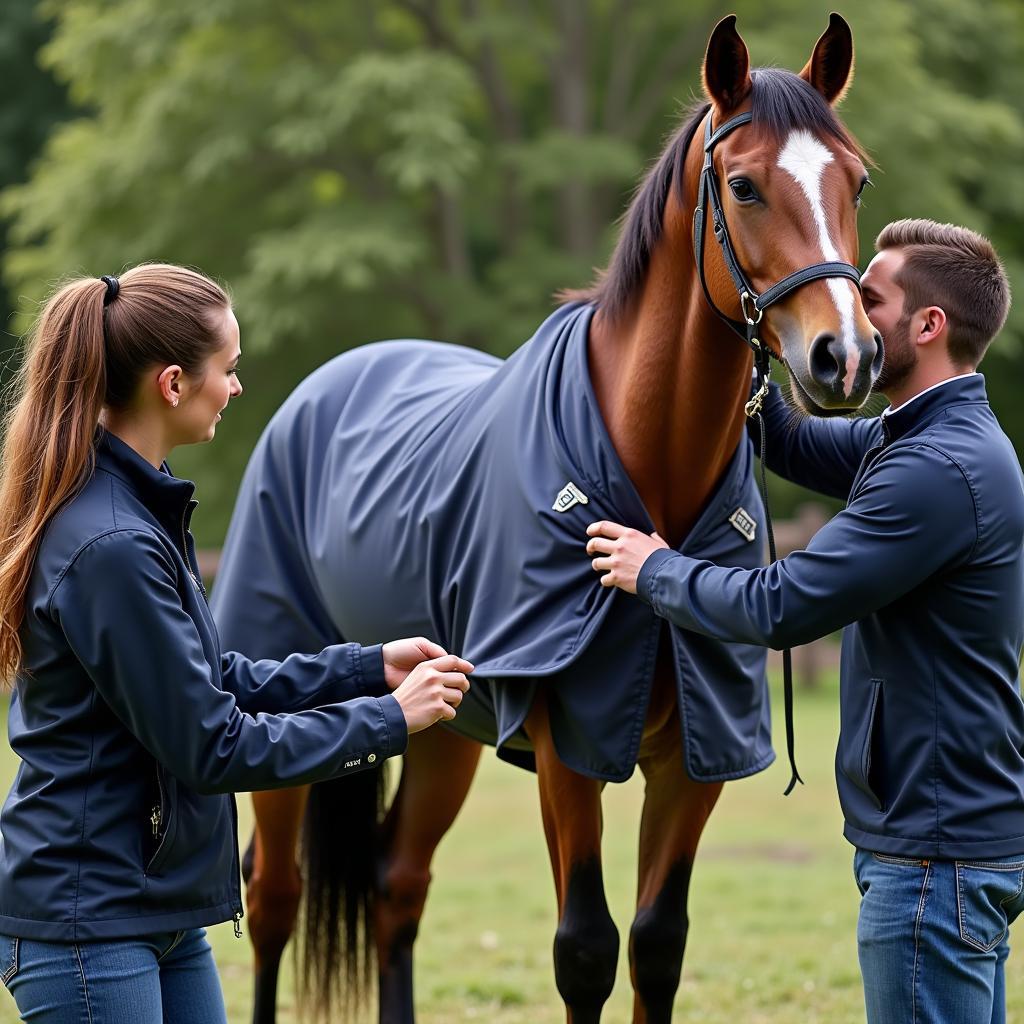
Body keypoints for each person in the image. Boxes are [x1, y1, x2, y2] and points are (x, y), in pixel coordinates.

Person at [0, 264, 473, 1023]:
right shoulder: (114, 544)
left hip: (159, 912)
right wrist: (390, 723)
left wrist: (364, 668)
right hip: (88, 925)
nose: (238, 387)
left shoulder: (141, 510)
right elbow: (214, 747)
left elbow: (213, 677)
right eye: (231, 369)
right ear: (175, 383)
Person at [585, 219, 1024, 1024]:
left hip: (933, 857)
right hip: (952, 841)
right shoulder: (926, 437)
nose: (848, 311)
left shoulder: (935, 470)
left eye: (870, 297)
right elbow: (783, 438)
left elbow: (779, 607)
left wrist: (655, 571)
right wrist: (744, 337)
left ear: (927, 327)